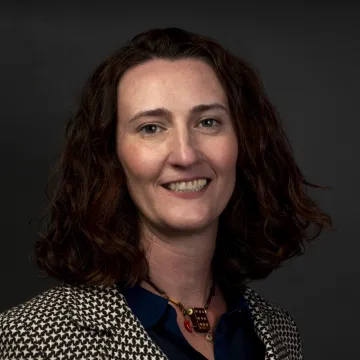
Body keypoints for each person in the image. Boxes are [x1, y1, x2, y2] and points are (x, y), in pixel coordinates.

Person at [0, 27, 332, 360]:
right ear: (111, 156)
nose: (186, 155)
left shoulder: (279, 334)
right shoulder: (33, 339)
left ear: (243, 140)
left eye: (208, 122)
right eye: (151, 128)